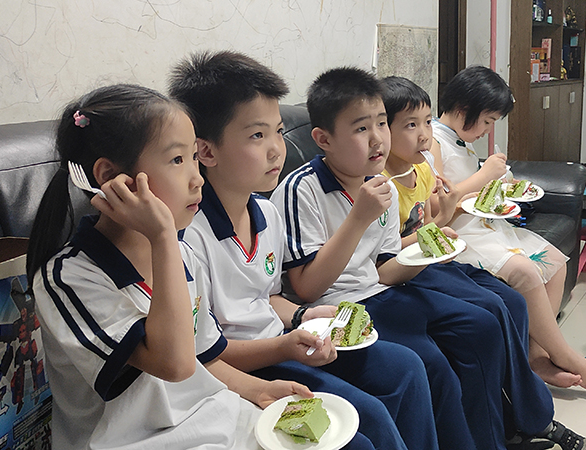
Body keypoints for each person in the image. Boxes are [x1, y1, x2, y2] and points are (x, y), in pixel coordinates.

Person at [271, 67, 586, 450]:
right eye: (361, 128)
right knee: (433, 365)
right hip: (340, 308)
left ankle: (508, 430)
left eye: (381, 123)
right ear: (323, 139)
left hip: (383, 291)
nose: (378, 138)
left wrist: (428, 250)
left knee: (483, 324)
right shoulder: (302, 190)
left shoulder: (381, 186)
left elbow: (385, 269)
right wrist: (358, 219)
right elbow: (307, 288)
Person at [26, 84, 322, 449]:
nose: (197, 178)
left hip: (212, 418)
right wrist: (163, 237)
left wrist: (260, 390)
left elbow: (203, 359)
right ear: (110, 177)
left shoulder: (180, 253)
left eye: (194, 157)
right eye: (177, 160)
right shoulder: (67, 279)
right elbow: (174, 365)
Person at [168, 50, 437, 450]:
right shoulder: (189, 238)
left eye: (279, 132)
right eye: (257, 136)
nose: (277, 149)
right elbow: (202, 352)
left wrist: (301, 315)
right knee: (371, 422)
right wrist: (285, 343)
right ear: (206, 152)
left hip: (284, 340)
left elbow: (268, 296)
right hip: (241, 365)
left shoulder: (266, 212)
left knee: (407, 368)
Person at [429, 66, 586, 394]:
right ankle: (563, 354)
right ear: (463, 109)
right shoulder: (433, 142)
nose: (488, 130)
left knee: (555, 261)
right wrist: (485, 175)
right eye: (487, 121)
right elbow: (438, 209)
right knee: (526, 270)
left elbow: (471, 194)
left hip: (486, 226)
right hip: (460, 236)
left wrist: (500, 185)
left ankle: (537, 354)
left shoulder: (461, 140)